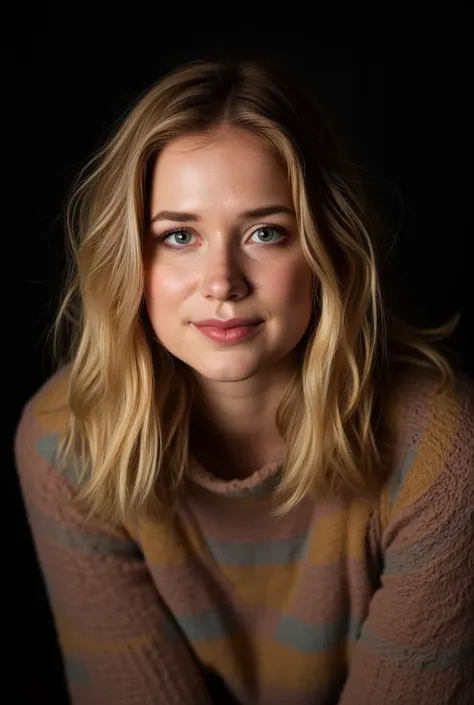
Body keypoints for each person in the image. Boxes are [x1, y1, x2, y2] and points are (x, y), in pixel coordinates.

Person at [15, 56, 474, 705]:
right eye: (178, 235)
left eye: (265, 232)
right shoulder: (64, 443)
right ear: (128, 258)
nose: (222, 281)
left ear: (325, 245)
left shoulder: (440, 446)